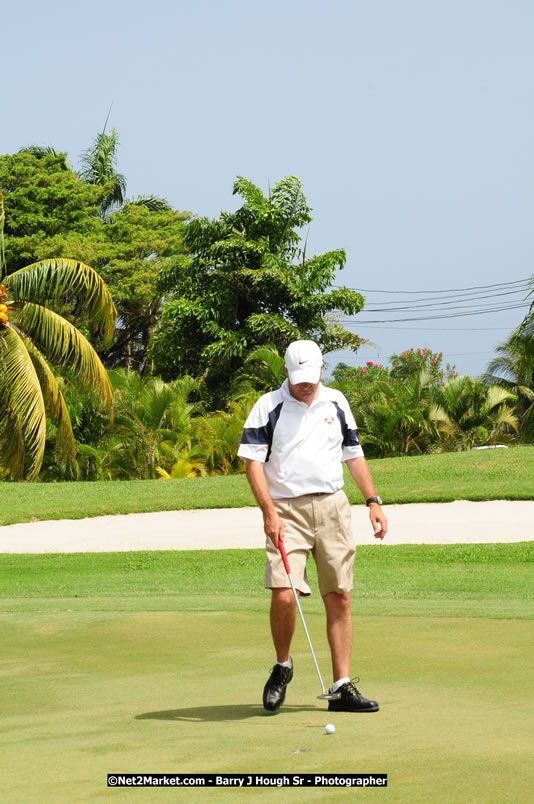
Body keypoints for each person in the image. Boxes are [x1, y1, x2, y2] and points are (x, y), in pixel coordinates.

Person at [237, 339, 387, 713]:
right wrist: (268, 512)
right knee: (283, 593)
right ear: (286, 372)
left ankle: (341, 686)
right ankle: (282, 666)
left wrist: (373, 501)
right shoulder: (268, 406)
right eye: (298, 378)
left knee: (339, 595)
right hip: (286, 510)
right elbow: (252, 463)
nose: (305, 384)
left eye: (311, 377)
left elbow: (353, 455)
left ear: (322, 369)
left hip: (333, 506)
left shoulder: (336, 402)